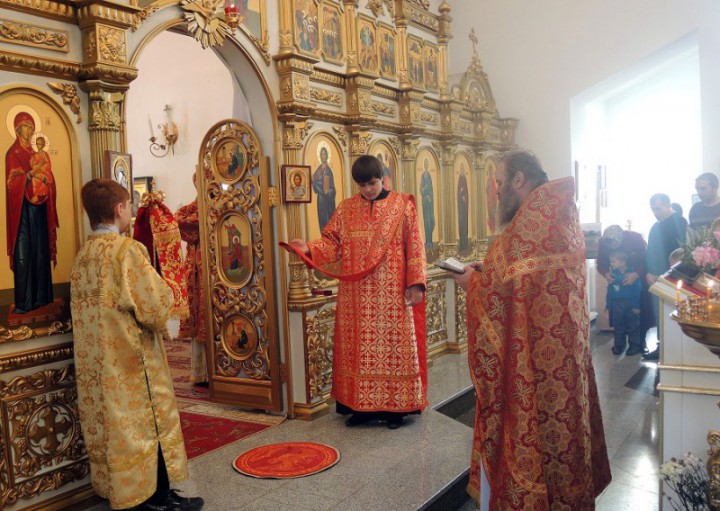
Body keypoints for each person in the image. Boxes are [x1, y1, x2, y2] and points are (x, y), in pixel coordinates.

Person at [453, 150, 611, 509]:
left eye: (499, 182)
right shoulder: (558, 215)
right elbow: (524, 281)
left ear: (519, 180)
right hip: (564, 363)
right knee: (563, 440)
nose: (497, 191)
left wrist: (471, 284)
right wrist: (488, 273)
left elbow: (501, 291)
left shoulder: (527, 228)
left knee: (532, 431)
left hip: (532, 366)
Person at [70, 179, 203, 511]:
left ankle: (125, 493)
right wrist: (171, 295)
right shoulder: (126, 251)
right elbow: (155, 307)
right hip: (132, 361)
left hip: (98, 367)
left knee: (117, 431)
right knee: (148, 426)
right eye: (128, 205)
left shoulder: (83, 255)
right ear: (119, 209)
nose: (130, 211)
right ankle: (157, 499)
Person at [289, 155, 427, 430]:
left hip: (391, 293)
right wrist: (309, 248)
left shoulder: (402, 206)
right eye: (362, 185)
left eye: (372, 183)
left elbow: (415, 246)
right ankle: (360, 408)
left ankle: (395, 409)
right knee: (359, 352)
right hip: (356, 296)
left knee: (391, 351)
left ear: (382, 178)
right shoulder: (346, 208)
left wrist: (415, 283)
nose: (368, 189)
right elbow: (332, 243)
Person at [5, 113, 59, 314]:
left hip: (39, 207)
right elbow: (11, 183)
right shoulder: (13, 154)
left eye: (30, 126)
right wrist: (28, 175)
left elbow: (48, 175)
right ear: (17, 129)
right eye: (25, 126)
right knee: (23, 253)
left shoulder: (38, 154)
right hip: (21, 210)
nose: (28, 130)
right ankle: (24, 302)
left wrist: (46, 180)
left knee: (40, 251)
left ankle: (41, 299)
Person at [596, 225, 654, 354]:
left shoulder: (635, 238)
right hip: (618, 291)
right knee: (619, 322)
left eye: (615, 245)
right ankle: (619, 344)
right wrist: (606, 273)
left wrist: (637, 274)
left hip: (637, 280)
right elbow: (601, 264)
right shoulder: (603, 243)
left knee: (636, 319)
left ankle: (638, 343)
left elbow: (646, 260)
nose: (613, 248)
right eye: (610, 246)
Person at [644, 193, 687, 361]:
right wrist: (648, 271)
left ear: (668, 205)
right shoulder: (655, 227)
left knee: (673, 311)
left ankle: (675, 348)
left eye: (658, 209)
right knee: (659, 311)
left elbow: (683, 252)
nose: (655, 213)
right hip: (655, 276)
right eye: (653, 209)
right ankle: (661, 345)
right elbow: (649, 251)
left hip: (674, 276)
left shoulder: (680, 223)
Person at [176, 172, 208, 386]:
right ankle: (201, 371)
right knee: (199, 316)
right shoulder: (189, 210)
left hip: (218, 270)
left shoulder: (222, 208)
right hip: (197, 272)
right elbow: (181, 224)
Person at [606, 250, 643, 355]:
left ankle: (634, 345)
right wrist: (608, 306)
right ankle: (619, 345)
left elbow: (637, 290)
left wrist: (636, 306)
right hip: (616, 304)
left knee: (633, 325)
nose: (611, 264)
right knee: (618, 326)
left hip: (630, 303)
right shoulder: (613, 275)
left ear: (623, 262)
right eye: (611, 262)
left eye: (613, 262)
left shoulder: (632, 274)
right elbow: (610, 291)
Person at [312, 145, 336, 231]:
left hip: (327, 200)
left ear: (327, 156)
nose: (323, 156)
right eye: (322, 154)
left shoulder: (328, 170)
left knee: (326, 218)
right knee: (321, 217)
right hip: (320, 199)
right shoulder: (318, 169)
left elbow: (332, 187)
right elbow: (314, 181)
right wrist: (314, 182)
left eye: (324, 154)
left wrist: (328, 191)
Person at [420, 158, 435, 249]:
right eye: (425, 164)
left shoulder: (429, 175)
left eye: (427, 164)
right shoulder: (423, 175)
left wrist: (431, 197)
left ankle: (431, 241)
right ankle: (428, 242)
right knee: (427, 222)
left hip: (430, 203)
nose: (426, 165)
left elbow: (432, 190)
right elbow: (421, 189)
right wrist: (425, 190)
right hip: (425, 202)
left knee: (431, 221)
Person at [457, 163, 469, 251]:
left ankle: (465, 243)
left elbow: (467, 191)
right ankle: (462, 243)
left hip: (465, 206)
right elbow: (458, 191)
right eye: (461, 168)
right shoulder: (459, 178)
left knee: (465, 223)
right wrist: (461, 195)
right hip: (461, 206)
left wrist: (465, 197)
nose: (462, 170)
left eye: (463, 168)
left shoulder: (464, 178)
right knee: (461, 222)